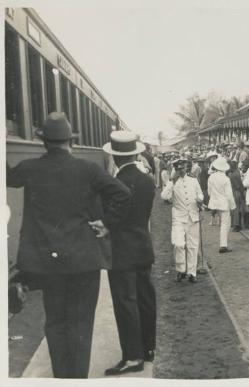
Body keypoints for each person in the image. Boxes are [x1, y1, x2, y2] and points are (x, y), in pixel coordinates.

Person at [7, 112, 131, 378]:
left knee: (55, 323)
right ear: (70, 142)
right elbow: (122, 194)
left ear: (44, 142)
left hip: (48, 264)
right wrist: (107, 223)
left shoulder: (30, 168)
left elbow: (8, 177)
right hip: (83, 261)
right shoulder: (88, 169)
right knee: (80, 325)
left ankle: (62, 379)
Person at [102, 131, 157, 376]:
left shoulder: (115, 182)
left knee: (126, 302)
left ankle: (132, 356)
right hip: (143, 246)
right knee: (145, 297)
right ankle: (148, 348)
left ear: (115, 157)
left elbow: (114, 217)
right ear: (135, 153)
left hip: (122, 250)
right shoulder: (146, 179)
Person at [161, 158, 204, 283]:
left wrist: (199, 199)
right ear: (176, 169)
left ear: (187, 168)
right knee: (178, 243)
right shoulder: (173, 183)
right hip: (178, 218)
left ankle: (192, 272)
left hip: (193, 216)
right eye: (178, 169)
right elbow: (164, 196)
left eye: (183, 168)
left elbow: (200, 194)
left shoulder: (193, 180)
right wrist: (171, 182)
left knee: (193, 245)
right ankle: (180, 269)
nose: (181, 170)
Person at [208, 157, 236, 253]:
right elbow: (229, 194)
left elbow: (209, 191)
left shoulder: (211, 177)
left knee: (223, 223)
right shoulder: (225, 179)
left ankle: (223, 244)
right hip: (224, 203)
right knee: (225, 224)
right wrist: (233, 206)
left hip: (215, 203)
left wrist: (214, 198)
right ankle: (223, 245)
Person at [227, 160, 245, 232]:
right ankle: (237, 224)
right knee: (237, 208)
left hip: (236, 192)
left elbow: (238, 186)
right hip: (237, 192)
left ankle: (236, 225)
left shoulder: (233, 174)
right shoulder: (236, 173)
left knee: (235, 209)